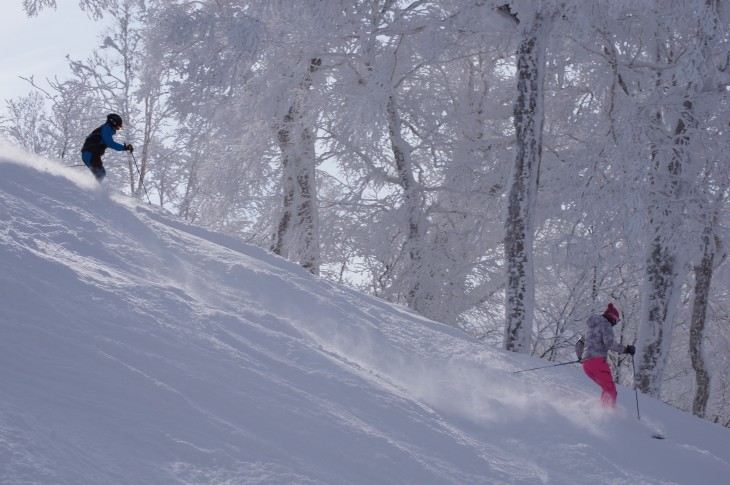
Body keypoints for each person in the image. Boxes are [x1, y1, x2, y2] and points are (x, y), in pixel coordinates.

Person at [575, 303, 635, 407]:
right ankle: (607, 414)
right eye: (616, 321)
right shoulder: (606, 325)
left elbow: (579, 344)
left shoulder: (591, 327)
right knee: (610, 389)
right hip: (597, 362)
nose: (615, 324)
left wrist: (581, 357)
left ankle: (600, 410)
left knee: (607, 388)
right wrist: (626, 349)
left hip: (587, 365)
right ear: (613, 318)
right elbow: (609, 343)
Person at [81, 113, 134, 182]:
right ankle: (92, 191)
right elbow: (110, 143)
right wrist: (125, 148)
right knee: (100, 174)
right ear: (113, 123)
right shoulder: (105, 129)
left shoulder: (105, 129)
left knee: (101, 173)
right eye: (118, 127)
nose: (118, 129)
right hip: (90, 154)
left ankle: (92, 189)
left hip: (90, 154)